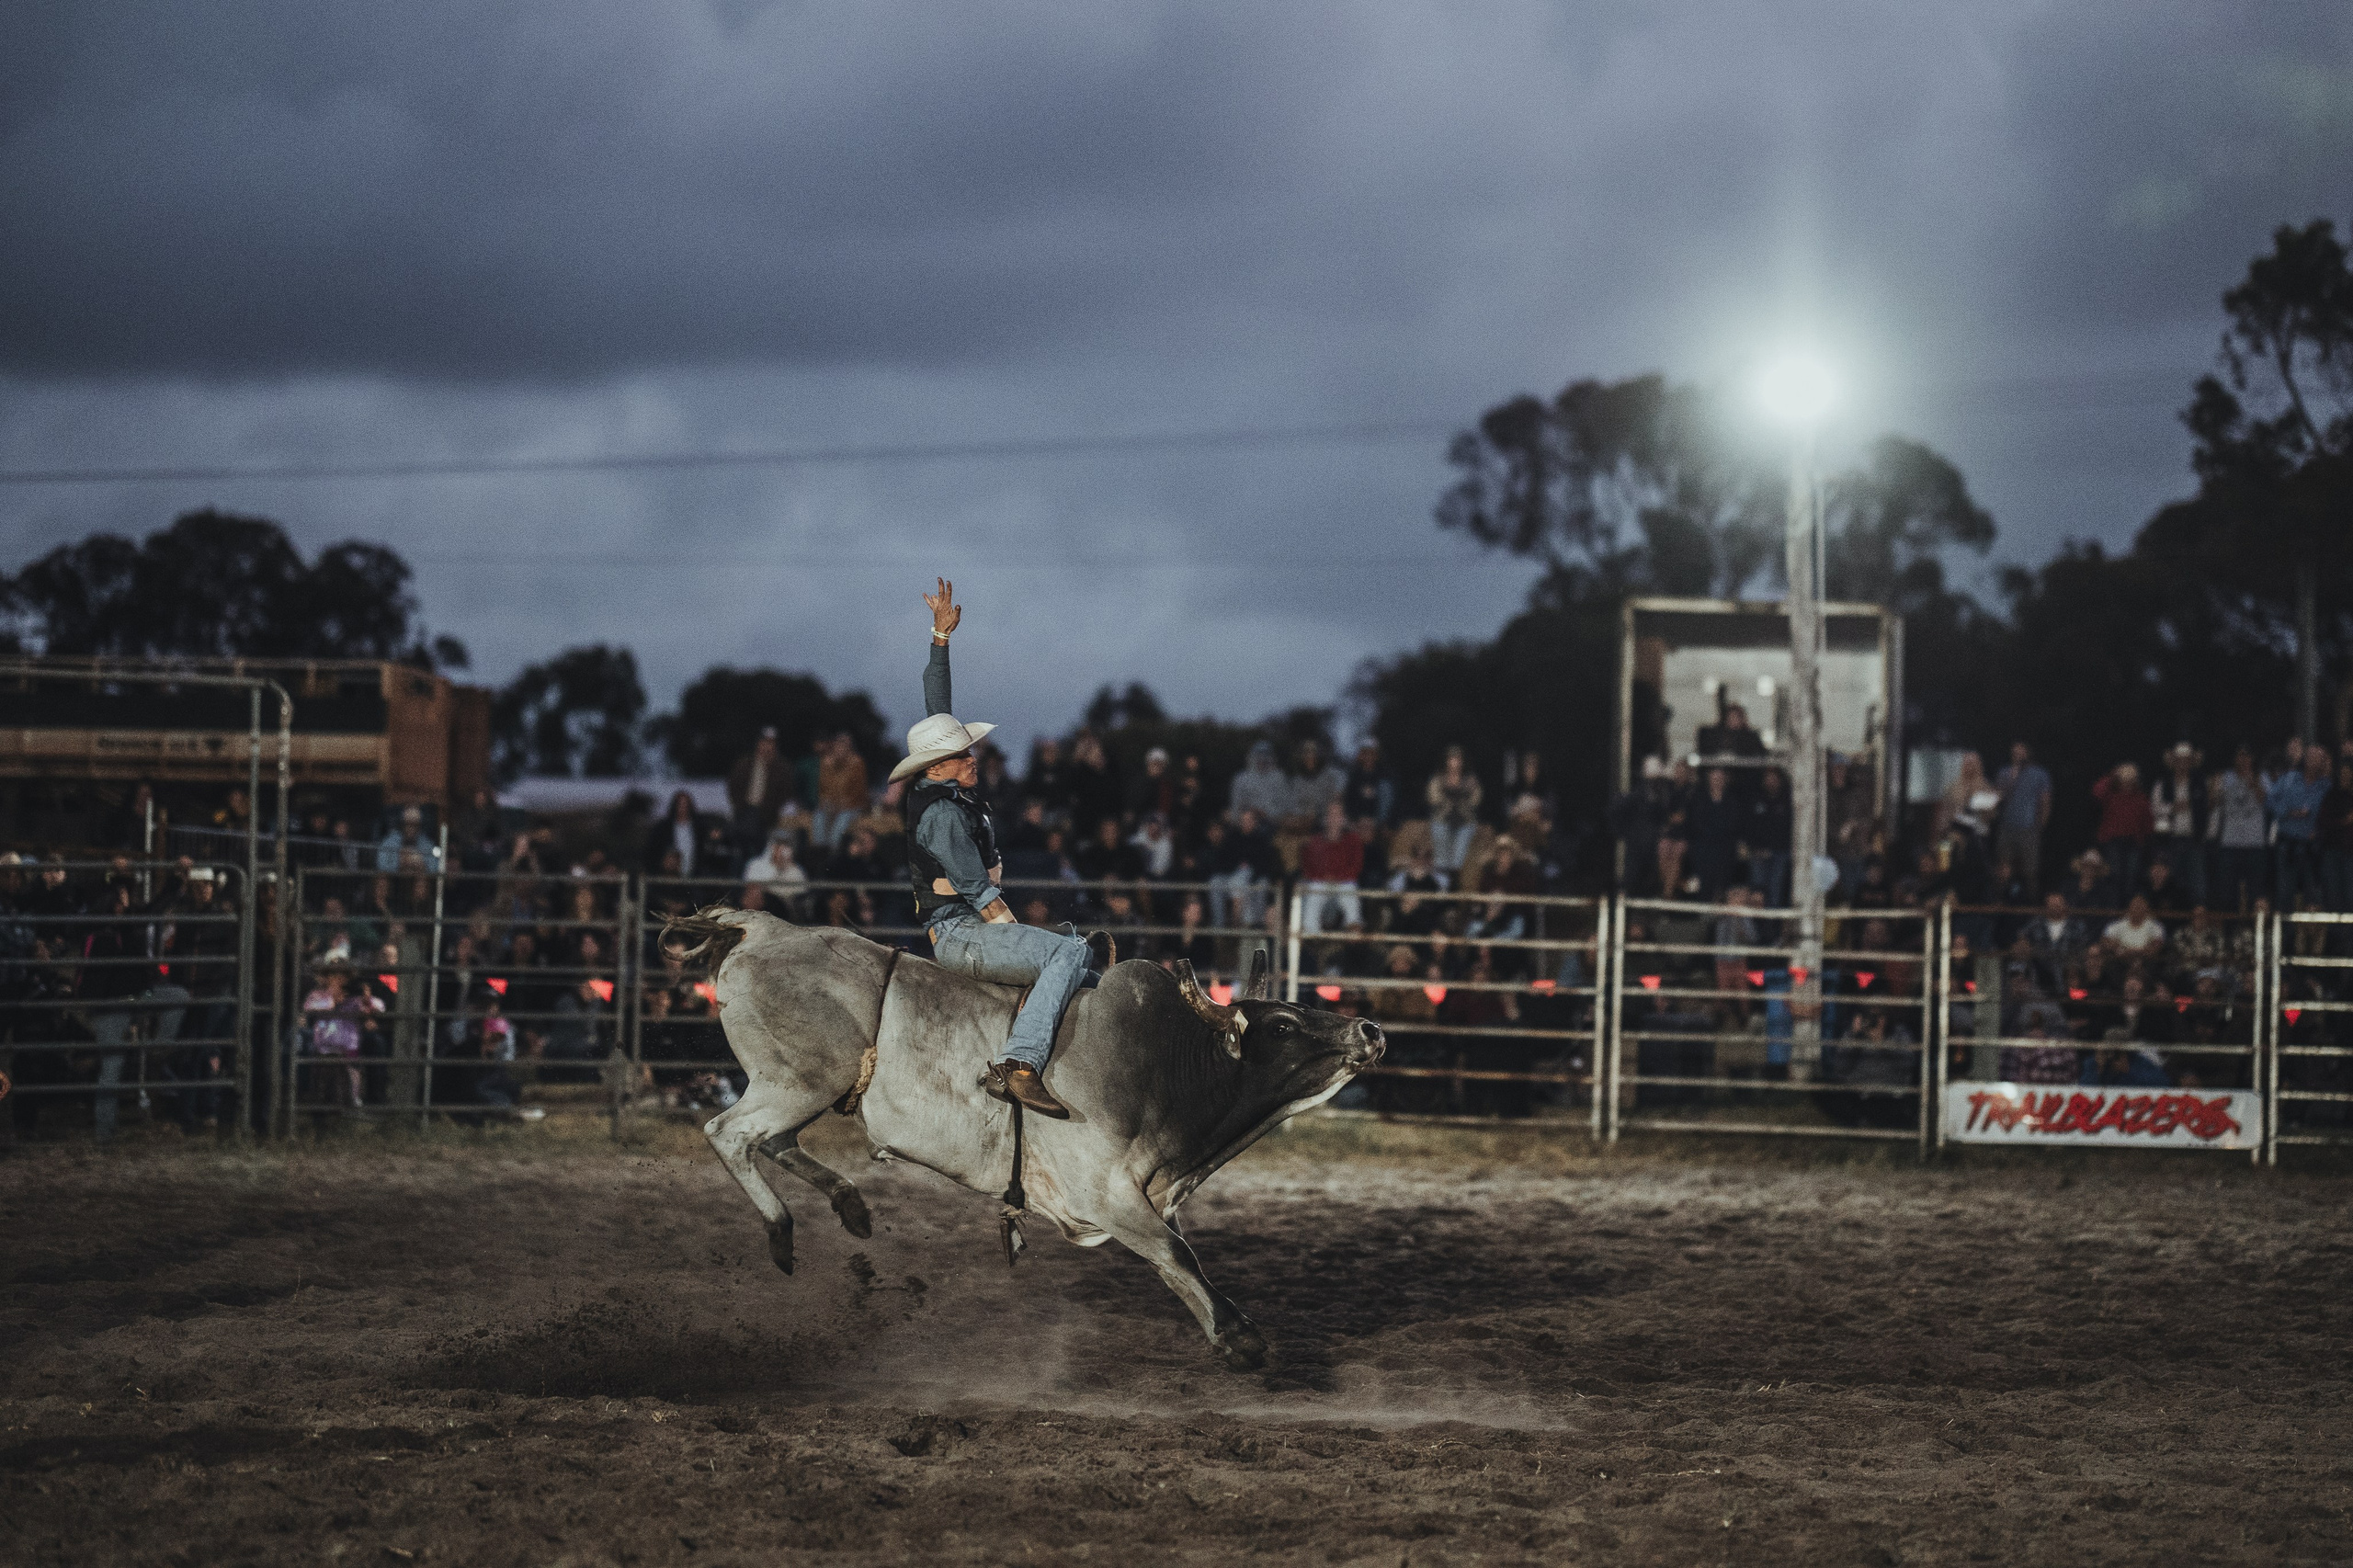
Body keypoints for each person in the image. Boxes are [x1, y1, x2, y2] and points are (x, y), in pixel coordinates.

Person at [899, 579, 1086, 1118]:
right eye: (963, 755)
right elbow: (980, 894)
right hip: (963, 933)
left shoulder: (943, 790)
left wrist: (940, 638)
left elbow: (938, 711)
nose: (973, 757)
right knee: (1068, 952)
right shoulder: (942, 814)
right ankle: (1020, 1063)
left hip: (964, 925)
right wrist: (1015, 930)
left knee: (1077, 953)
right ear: (939, 767)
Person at [2268, 743, 2330, 911]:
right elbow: (2270, 801)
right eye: (2311, 757)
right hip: (2287, 845)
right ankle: (2285, 928)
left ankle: (2312, 928)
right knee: (2285, 893)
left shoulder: (2326, 786)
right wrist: (2288, 812)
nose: (2313, 761)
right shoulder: (2289, 779)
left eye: (2318, 758)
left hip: (2312, 848)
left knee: (2313, 896)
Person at [2209, 745, 2268, 914]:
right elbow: (2212, 804)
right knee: (2227, 892)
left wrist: (2253, 782)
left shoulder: (2261, 776)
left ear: (2252, 759)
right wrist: (2214, 789)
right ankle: (2231, 927)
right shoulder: (2225, 777)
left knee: (2255, 891)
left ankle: (2252, 926)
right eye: (2240, 756)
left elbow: (2266, 802)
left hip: (2255, 843)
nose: (2243, 760)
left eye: (2247, 756)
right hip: (2230, 843)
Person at [1993, 742, 2052, 901]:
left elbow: (2045, 801)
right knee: (2003, 868)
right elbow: (1997, 797)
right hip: (2007, 827)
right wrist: (2011, 778)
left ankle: (2031, 904)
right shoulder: (2004, 773)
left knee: (2030, 870)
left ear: (2028, 753)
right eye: (2015, 752)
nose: (2018, 755)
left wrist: (2040, 826)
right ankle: (2000, 902)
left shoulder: (2040, 774)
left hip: (2029, 828)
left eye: (2021, 752)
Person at [1298, 801, 1366, 934]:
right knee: (1312, 891)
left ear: (1344, 818)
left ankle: (1353, 930)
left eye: (1338, 815)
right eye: (1331, 815)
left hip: (1345, 881)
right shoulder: (1315, 841)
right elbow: (1307, 867)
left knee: (1351, 892)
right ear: (1325, 818)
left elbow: (1357, 866)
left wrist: (1338, 877)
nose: (1334, 819)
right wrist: (1323, 877)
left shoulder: (1354, 840)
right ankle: (1311, 933)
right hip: (1321, 881)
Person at [2091, 763, 2154, 902]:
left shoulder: (2141, 798)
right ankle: (2114, 906)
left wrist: (2144, 841)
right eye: (2124, 780)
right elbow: (2097, 791)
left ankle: (2128, 906)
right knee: (2114, 875)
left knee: (2132, 876)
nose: (2127, 783)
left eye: (2130, 780)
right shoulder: (2110, 795)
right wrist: (2113, 775)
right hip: (2112, 842)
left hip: (2134, 843)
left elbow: (2148, 823)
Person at [728, 727, 790, 852]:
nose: (767, 747)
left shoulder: (782, 768)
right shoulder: (744, 764)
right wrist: (740, 805)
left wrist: (772, 808)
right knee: (744, 833)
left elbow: (785, 793)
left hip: (767, 815)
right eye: (764, 742)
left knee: (755, 834)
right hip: (744, 811)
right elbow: (733, 786)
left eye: (771, 743)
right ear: (758, 744)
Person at [1425, 747, 1483, 875]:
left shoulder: (1470, 780)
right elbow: (1433, 799)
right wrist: (1448, 798)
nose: (1455, 762)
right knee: (1441, 862)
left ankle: (1454, 882)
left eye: (1458, 759)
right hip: (1442, 821)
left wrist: (1463, 797)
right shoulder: (1438, 779)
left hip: (1465, 822)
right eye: (1451, 759)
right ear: (1446, 761)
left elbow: (1476, 800)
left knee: (1457, 862)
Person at [375, 804, 442, 874]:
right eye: (408, 824)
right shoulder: (391, 841)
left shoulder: (426, 843)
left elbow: (436, 868)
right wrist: (401, 862)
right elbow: (381, 865)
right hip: (395, 876)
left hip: (418, 876)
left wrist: (421, 864)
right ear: (402, 825)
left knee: (422, 877)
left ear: (420, 826)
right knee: (381, 877)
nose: (411, 829)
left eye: (415, 825)